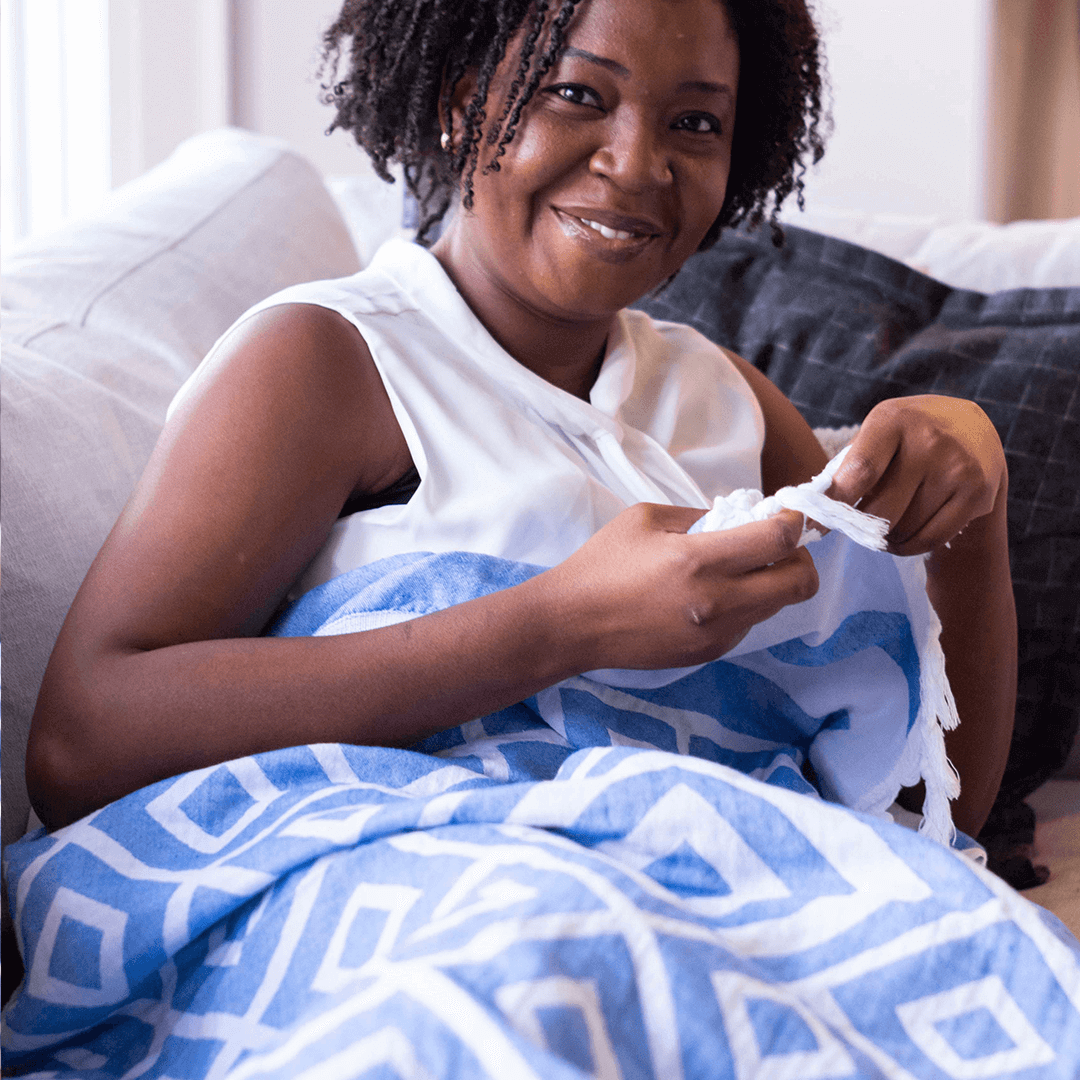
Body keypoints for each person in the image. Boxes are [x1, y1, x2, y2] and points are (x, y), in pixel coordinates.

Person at [26, 0, 1015, 842]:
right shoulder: (331, 363)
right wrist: (562, 624)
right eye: (578, 94)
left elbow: (925, 813)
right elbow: (81, 743)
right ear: (462, 101)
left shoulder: (732, 403)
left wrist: (973, 515)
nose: (637, 164)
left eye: (696, 123)